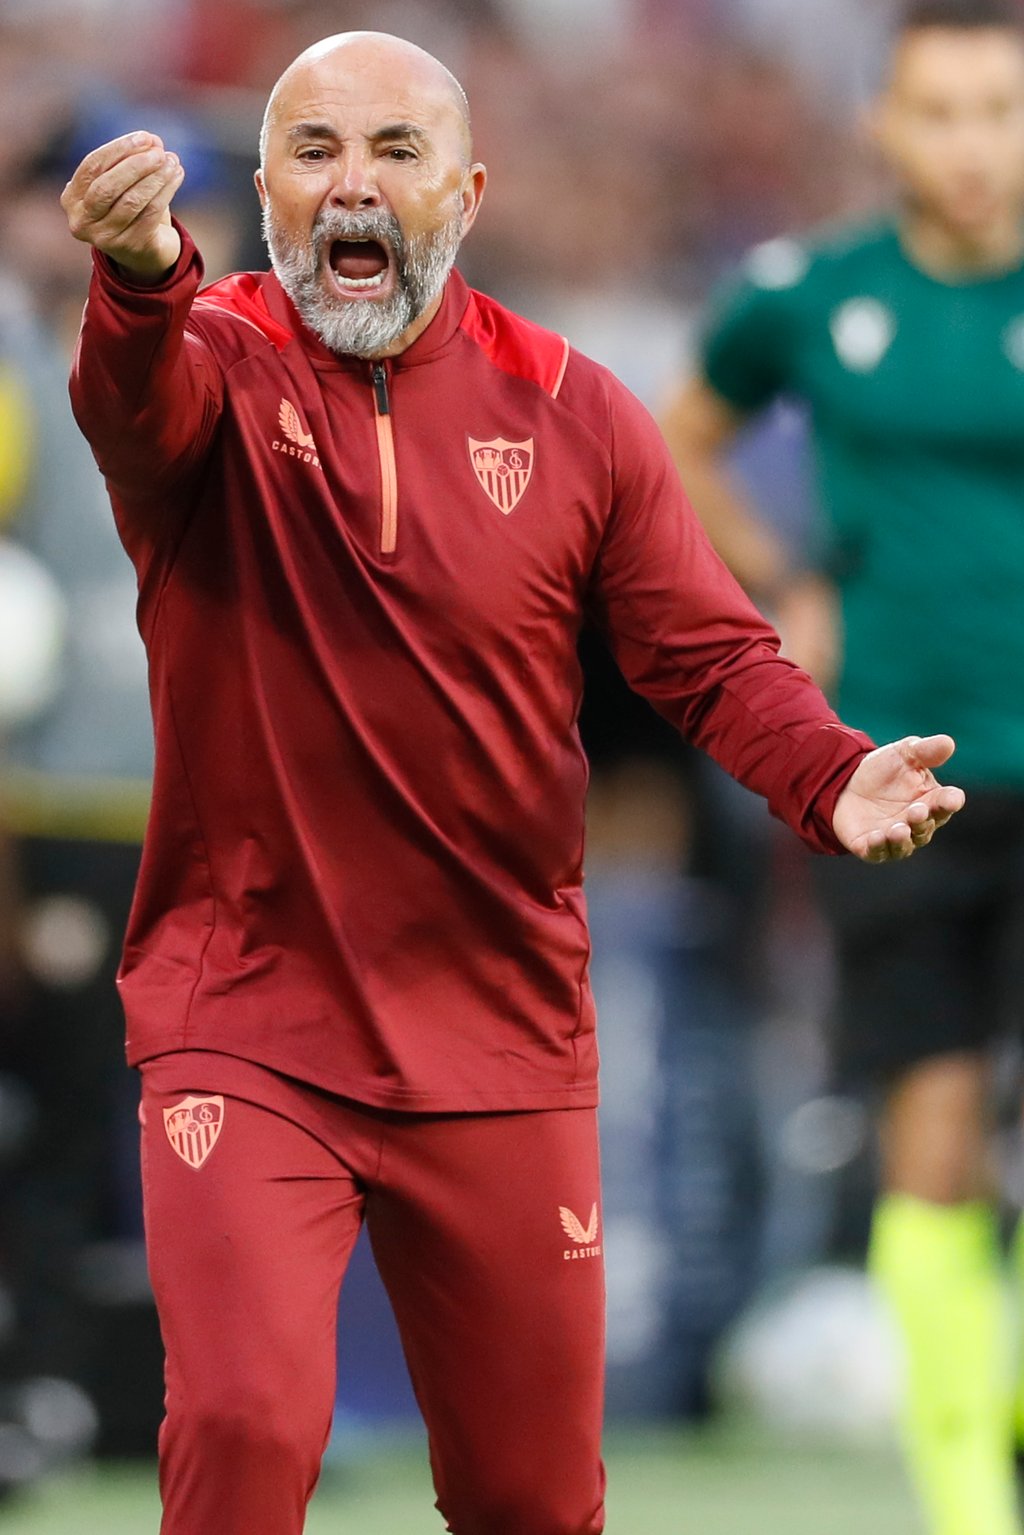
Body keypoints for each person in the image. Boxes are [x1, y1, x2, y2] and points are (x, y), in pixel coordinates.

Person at [60, 30, 963, 1535]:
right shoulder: (208, 362)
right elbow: (128, 400)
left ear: (466, 193)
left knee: (535, 1499)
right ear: (270, 191)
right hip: (248, 1020)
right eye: (316, 154)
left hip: (498, 1034)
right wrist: (142, 270)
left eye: (396, 155)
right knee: (239, 1424)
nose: (354, 188)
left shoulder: (577, 410)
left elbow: (711, 656)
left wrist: (828, 772)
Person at [661, 3, 1024, 1533]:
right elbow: (677, 437)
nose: (971, 143)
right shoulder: (810, 293)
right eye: (937, 111)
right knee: (929, 1126)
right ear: (881, 124)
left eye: (1000, 109)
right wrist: (781, 588)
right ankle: (967, 1500)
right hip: (906, 778)